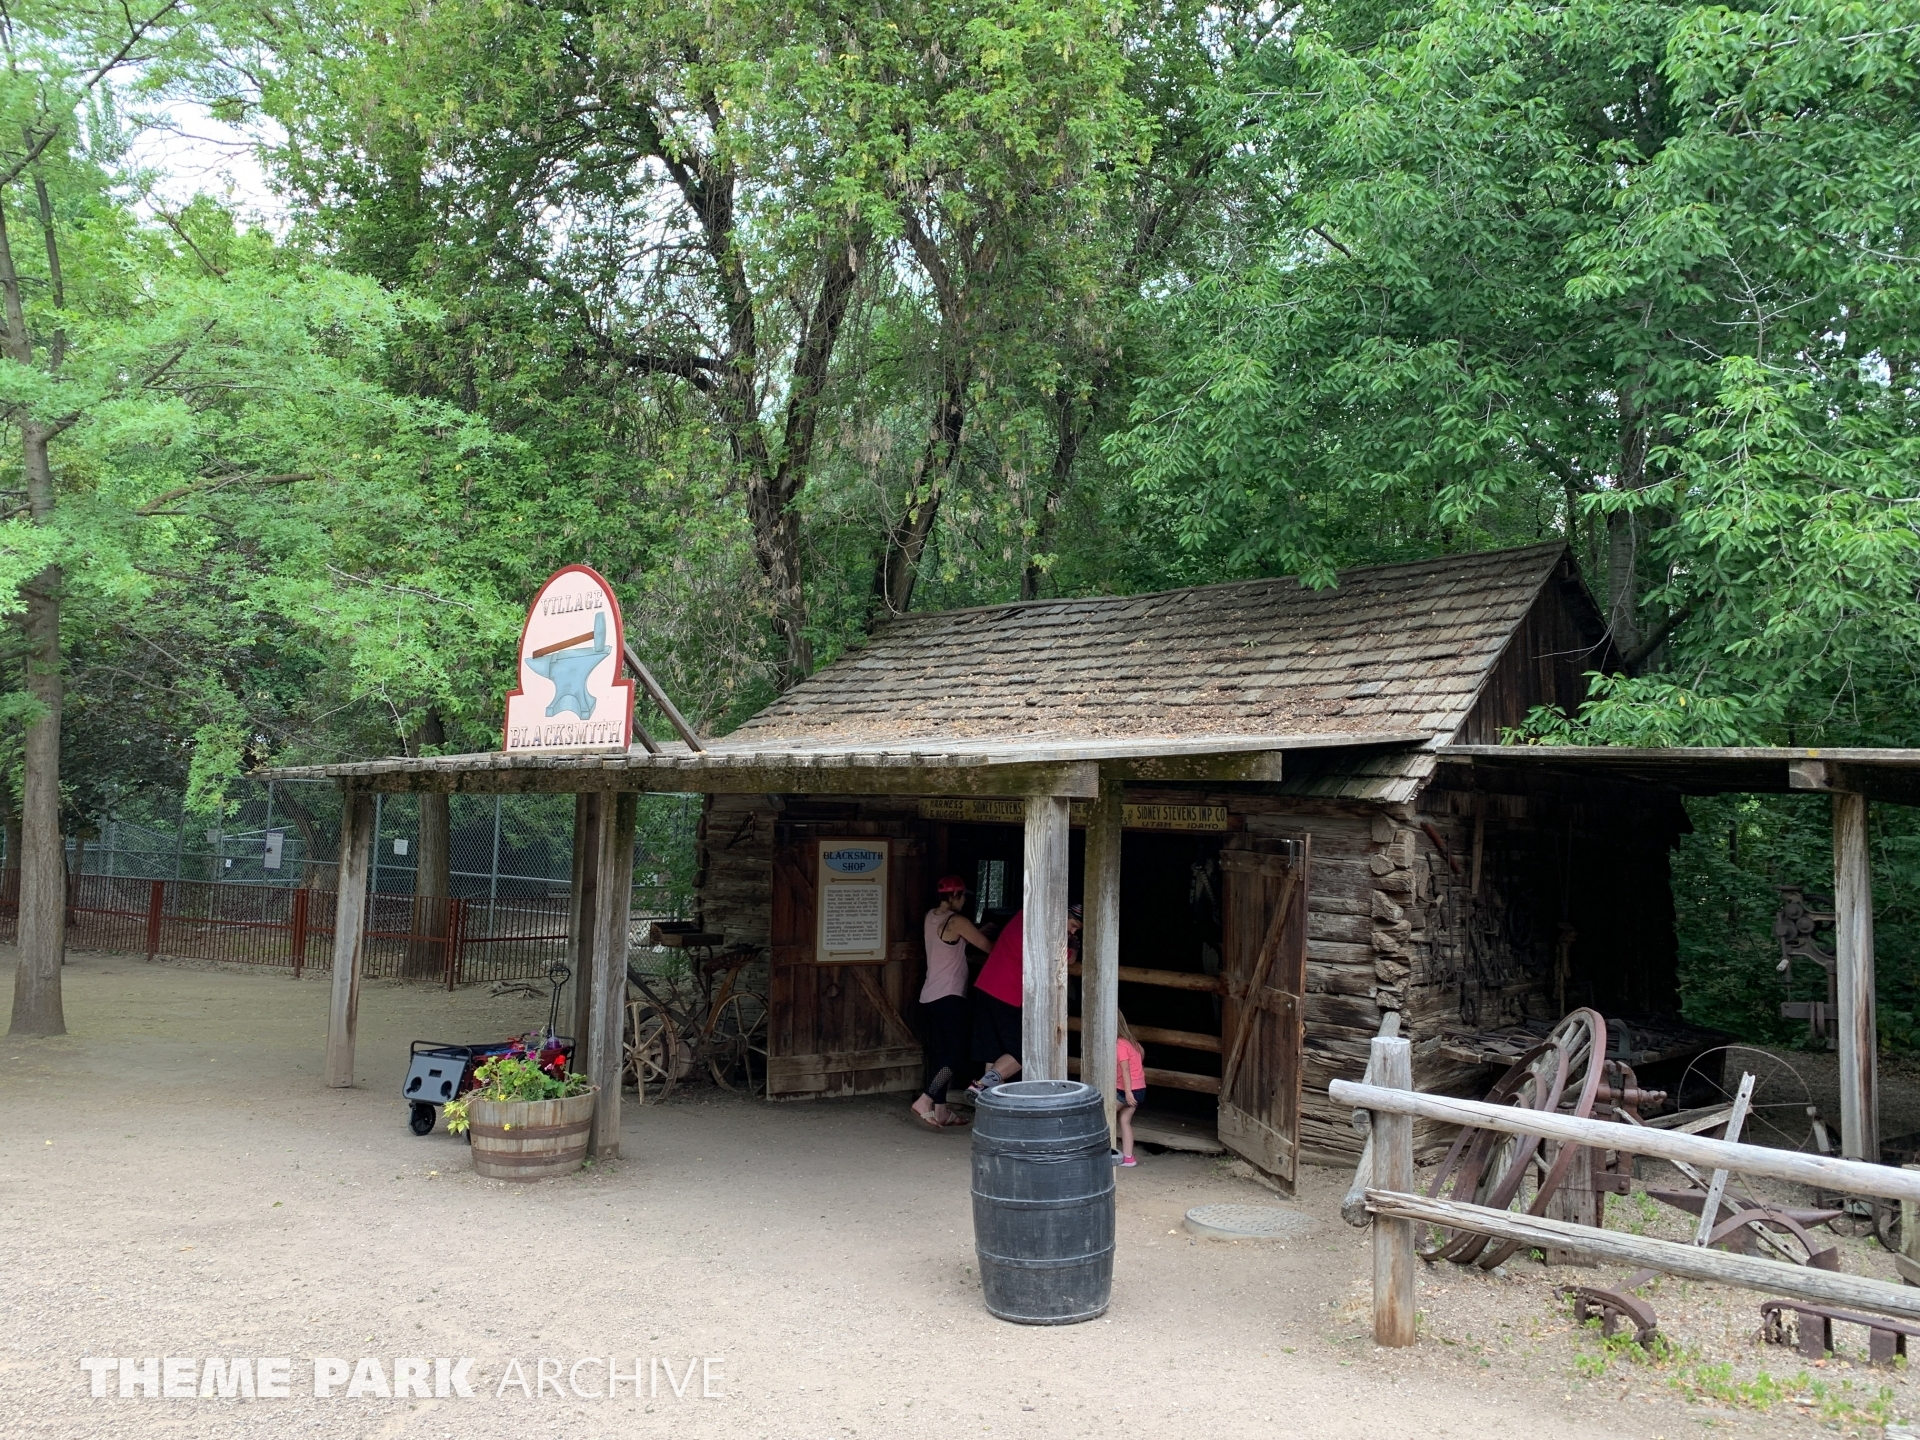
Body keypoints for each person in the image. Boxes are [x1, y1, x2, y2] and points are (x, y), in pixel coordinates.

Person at [968, 901, 1083, 1097]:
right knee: (1027, 1049)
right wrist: (1073, 946)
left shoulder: (1025, 914)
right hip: (1009, 994)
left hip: (986, 985)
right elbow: (1067, 959)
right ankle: (981, 1085)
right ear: (1061, 915)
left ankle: (989, 1103)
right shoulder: (1049, 929)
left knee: (993, 1051)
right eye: (1072, 925)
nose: (1072, 931)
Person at [912, 876, 993, 1130]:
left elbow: (952, 942)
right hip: (950, 996)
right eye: (963, 896)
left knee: (943, 1053)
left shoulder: (931, 916)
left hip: (931, 994)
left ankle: (941, 1109)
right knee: (957, 1054)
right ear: (955, 895)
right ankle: (926, 1099)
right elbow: (988, 947)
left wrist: (978, 931)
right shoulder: (958, 921)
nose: (965, 900)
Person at [1115, 1013, 1146, 1167]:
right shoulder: (1132, 1042)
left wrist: (1127, 1092)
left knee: (1104, 1113)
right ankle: (1129, 1158)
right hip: (1140, 1089)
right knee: (1125, 1120)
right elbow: (1142, 1053)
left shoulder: (1120, 1044)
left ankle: (1102, 1152)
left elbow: (1125, 1069)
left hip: (1127, 1090)